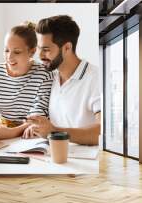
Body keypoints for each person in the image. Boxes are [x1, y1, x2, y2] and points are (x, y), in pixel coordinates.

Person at [24, 15, 101, 145]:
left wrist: (54, 131)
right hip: (54, 156)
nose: (41, 56)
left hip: (86, 162)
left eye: (46, 50)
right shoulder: (50, 77)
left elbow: (102, 132)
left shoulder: (95, 77)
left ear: (67, 48)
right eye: (39, 49)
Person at [0, 22, 53, 140]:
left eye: (17, 52)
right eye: (6, 50)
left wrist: (12, 132)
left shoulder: (44, 74)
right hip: (2, 134)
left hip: (31, 135)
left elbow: (39, 115)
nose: (9, 57)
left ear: (32, 52)